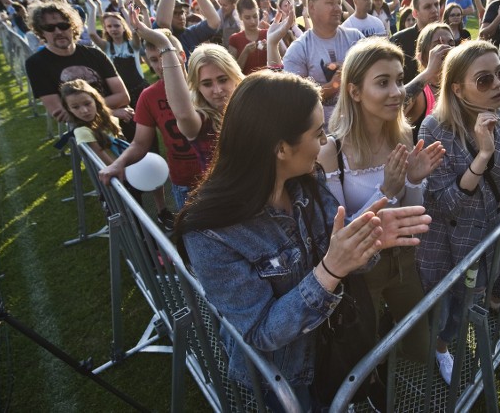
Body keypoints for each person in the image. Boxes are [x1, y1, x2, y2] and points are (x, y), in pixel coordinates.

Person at [175, 71, 432, 410]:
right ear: (281, 148)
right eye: (318, 133)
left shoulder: (305, 181)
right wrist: (330, 270)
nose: (326, 143)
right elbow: (261, 332)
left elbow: (335, 242)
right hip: (282, 381)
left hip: (332, 349)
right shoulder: (209, 231)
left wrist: (366, 236)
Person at [417, 40, 500, 384]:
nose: (499, 85)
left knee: (465, 304)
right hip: (443, 245)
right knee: (442, 309)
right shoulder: (434, 128)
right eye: (484, 80)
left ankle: (444, 343)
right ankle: (438, 349)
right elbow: (443, 204)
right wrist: (481, 157)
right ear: (457, 89)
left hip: (485, 239)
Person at [317, 37, 444, 366]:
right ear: (355, 91)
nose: (397, 91)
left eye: (400, 80)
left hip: (403, 261)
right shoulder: (332, 152)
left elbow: (411, 212)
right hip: (360, 272)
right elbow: (340, 232)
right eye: (383, 82)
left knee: (419, 339)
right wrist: (385, 192)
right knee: (363, 348)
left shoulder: (401, 135)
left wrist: (414, 181)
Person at [99, 30, 202, 212]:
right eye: (154, 60)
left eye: (164, 57)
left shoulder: (206, 84)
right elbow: (140, 143)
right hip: (184, 179)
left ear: (182, 56)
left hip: (217, 175)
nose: (161, 65)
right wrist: (118, 163)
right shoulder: (149, 96)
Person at [130, 10, 244, 172]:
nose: (217, 90)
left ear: (235, 76)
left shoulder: (251, 106)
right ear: (197, 87)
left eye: (223, 79)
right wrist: (164, 46)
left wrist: (273, 43)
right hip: (225, 195)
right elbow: (183, 114)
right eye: (207, 84)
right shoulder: (202, 121)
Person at [25, 0, 130, 124]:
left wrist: (77, 109)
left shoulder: (95, 54)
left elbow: (123, 97)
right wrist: (111, 112)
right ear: (41, 32)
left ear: (73, 26)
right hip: (84, 132)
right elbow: (60, 113)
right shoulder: (36, 64)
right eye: (50, 28)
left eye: (63, 25)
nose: (58, 31)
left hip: (119, 124)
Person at [283, 0, 364, 124]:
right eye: (330, 3)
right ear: (312, 7)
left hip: (359, 128)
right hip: (322, 137)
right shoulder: (298, 50)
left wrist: (350, 69)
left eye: (339, 3)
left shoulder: (356, 38)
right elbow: (294, 101)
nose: (338, 8)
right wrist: (333, 86)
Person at [60, 79, 133, 166]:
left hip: (128, 162)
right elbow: (107, 164)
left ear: (96, 101)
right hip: (119, 172)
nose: (84, 111)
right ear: (69, 109)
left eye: (87, 104)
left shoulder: (109, 119)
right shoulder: (83, 132)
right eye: (75, 107)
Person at [403, 23, 454, 139]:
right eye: (437, 45)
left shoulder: (462, 87)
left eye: (451, 43)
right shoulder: (422, 94)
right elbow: (391, 110)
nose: (446, 48)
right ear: (421, 56)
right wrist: (429, 72)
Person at [390, 0, 441, 84]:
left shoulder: (447, 37)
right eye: (427, 7)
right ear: (415, 13)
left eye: (436, 4)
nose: (434, 10)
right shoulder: (399, 41)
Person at [230, 0, 280, 75]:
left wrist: (271, 49)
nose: (252, 21)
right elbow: (233, 73)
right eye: (247, 18)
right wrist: (245, 53)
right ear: (240, 17)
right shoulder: (234, 39)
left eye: (255, 16)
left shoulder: (267, 34)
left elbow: (279, 67)